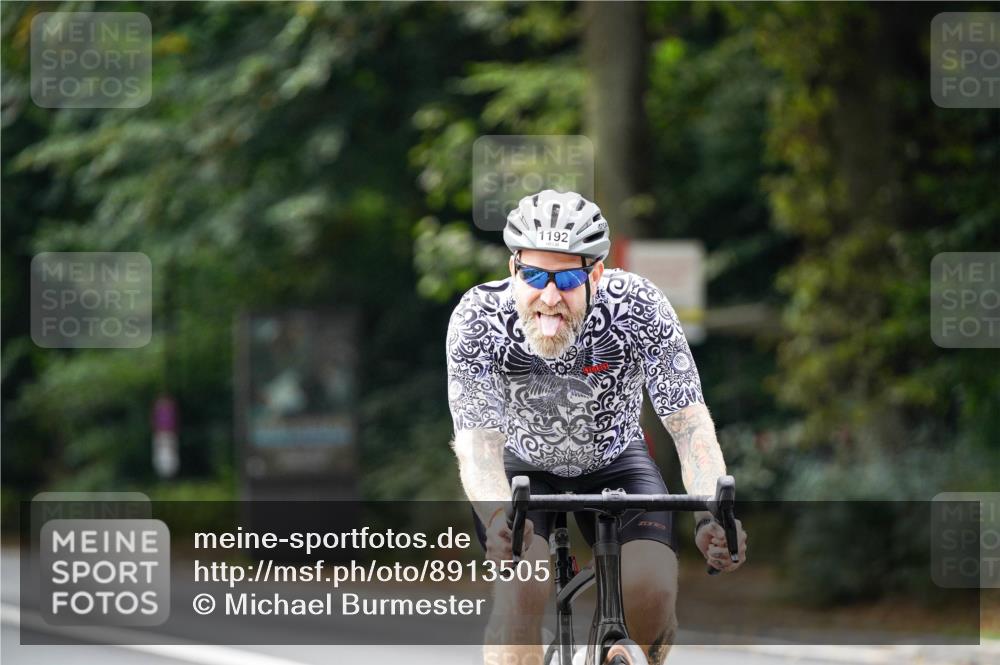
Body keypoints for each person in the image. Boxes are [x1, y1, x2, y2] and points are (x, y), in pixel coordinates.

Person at [447, 190, 748, 665]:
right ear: (513, 270)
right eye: (534, 276)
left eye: (567, 278)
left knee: (651, 587)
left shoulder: (639, 307)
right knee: (522, 589)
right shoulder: (478, 317)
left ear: (596, 274)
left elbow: (690, 428)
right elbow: (478, 446)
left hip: (615, 460)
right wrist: (496, 515)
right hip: (521, 469)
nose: (549, 297)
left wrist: (712, 515)